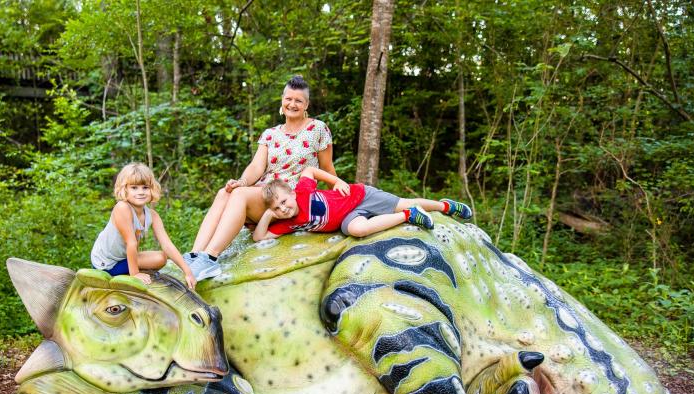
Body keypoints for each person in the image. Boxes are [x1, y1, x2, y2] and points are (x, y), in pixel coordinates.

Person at [186, 75, 335, 280]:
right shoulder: (270, 133)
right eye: (288, 99)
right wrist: (242, 182)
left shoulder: (317, 128)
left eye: (298, 100)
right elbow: (257, 166)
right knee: (225, 192)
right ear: (282, 101)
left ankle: (210, 258)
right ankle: (195, 256)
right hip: (266, 193)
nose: (292, 104)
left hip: (291, 198)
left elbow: (327, 167)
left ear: (306, 104)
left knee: (239, 196)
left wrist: (338, 199)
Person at [253, 167, 472, 241]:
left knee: (404, 200)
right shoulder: (287, 223)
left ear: (291, 194)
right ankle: (408, 215)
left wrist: (336, 180)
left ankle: (445, 206)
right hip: (348, 219)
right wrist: (269, 216)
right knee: (358, 230)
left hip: (359, 196)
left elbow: (308, 171)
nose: (283, 208)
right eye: (276, 208)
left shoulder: (302, 191)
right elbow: (259, 237)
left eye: (283, 202)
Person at [91, 162, 197, 289]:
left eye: (145, 187)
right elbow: (131, 243)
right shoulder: (122, 208)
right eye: (134, 188)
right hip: (106, 264)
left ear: (152, 189)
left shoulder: (152, 215)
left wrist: (188, 272)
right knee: (147, 257)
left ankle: (129, 270)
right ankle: (129, 273)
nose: (140, 192)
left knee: (161, 258)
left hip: (123, 258)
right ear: (125, 189)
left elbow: (167, 245)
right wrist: (135, 274)